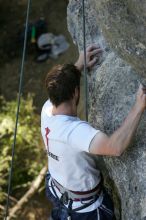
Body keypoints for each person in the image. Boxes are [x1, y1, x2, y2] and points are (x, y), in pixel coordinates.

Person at [41, 45, 146, 220]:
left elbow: (60, 85)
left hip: (56, 189)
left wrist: (79, 64)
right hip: (84, 210)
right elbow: (116, 147)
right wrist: (138, 106)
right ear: (75, 93)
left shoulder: (47, 109)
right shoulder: (75, 132)